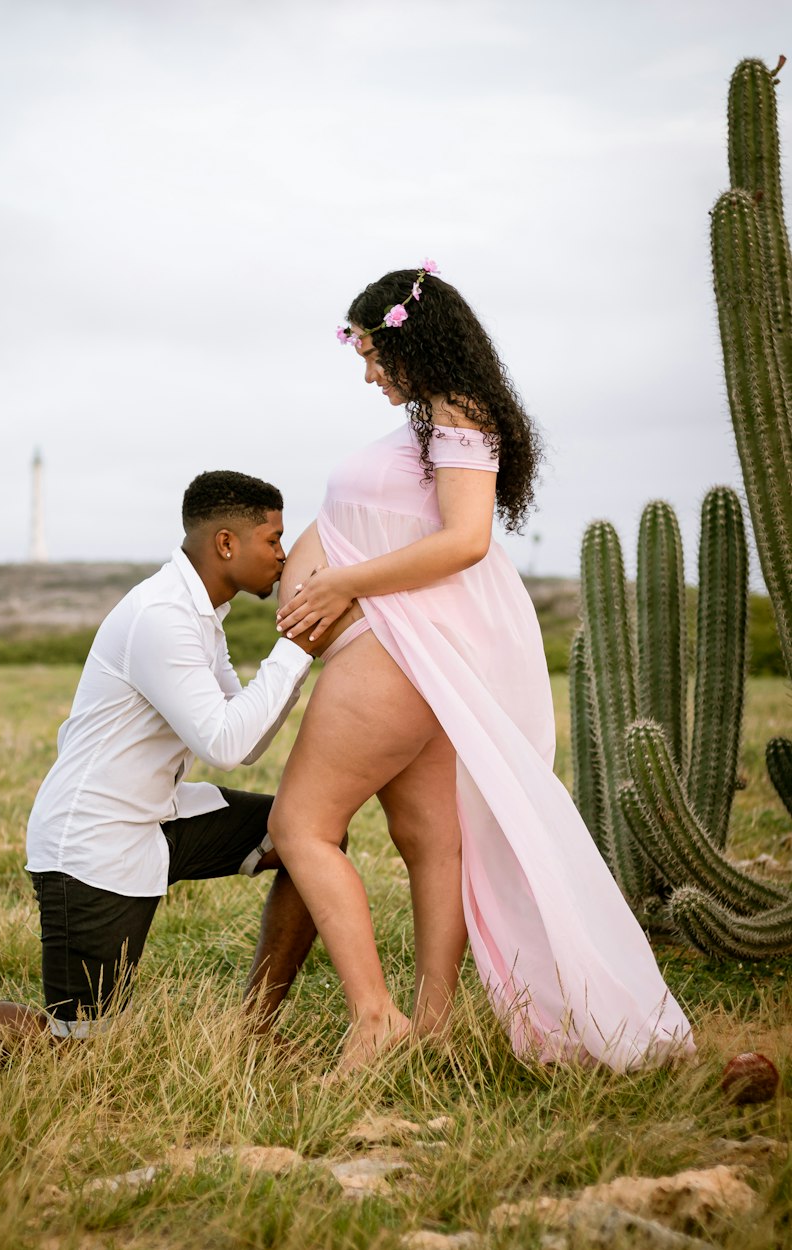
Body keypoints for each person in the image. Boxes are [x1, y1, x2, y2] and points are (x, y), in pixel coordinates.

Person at [270, 262, 694, 1074]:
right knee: (429, 836)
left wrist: (343, 585)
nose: (366, 375)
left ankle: (375, 1017)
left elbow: (465, 540)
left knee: (300, 827)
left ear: (411, 340)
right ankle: (432, 1024)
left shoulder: (459, 414)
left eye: (371, 355)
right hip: (399, 644)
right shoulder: (430, 420)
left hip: (397, 644)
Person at [0, 471, 325, 1045]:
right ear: (227, 544)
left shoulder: (202, 619)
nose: (282, 556)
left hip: (156, 817)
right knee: (76, 1050)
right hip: (92, 843)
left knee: (309, 834)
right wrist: (296, 645)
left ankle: (256, 1030)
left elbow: (241, 730)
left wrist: (300, 647)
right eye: (273, 540)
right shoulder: (163, 616)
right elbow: (228, 745)